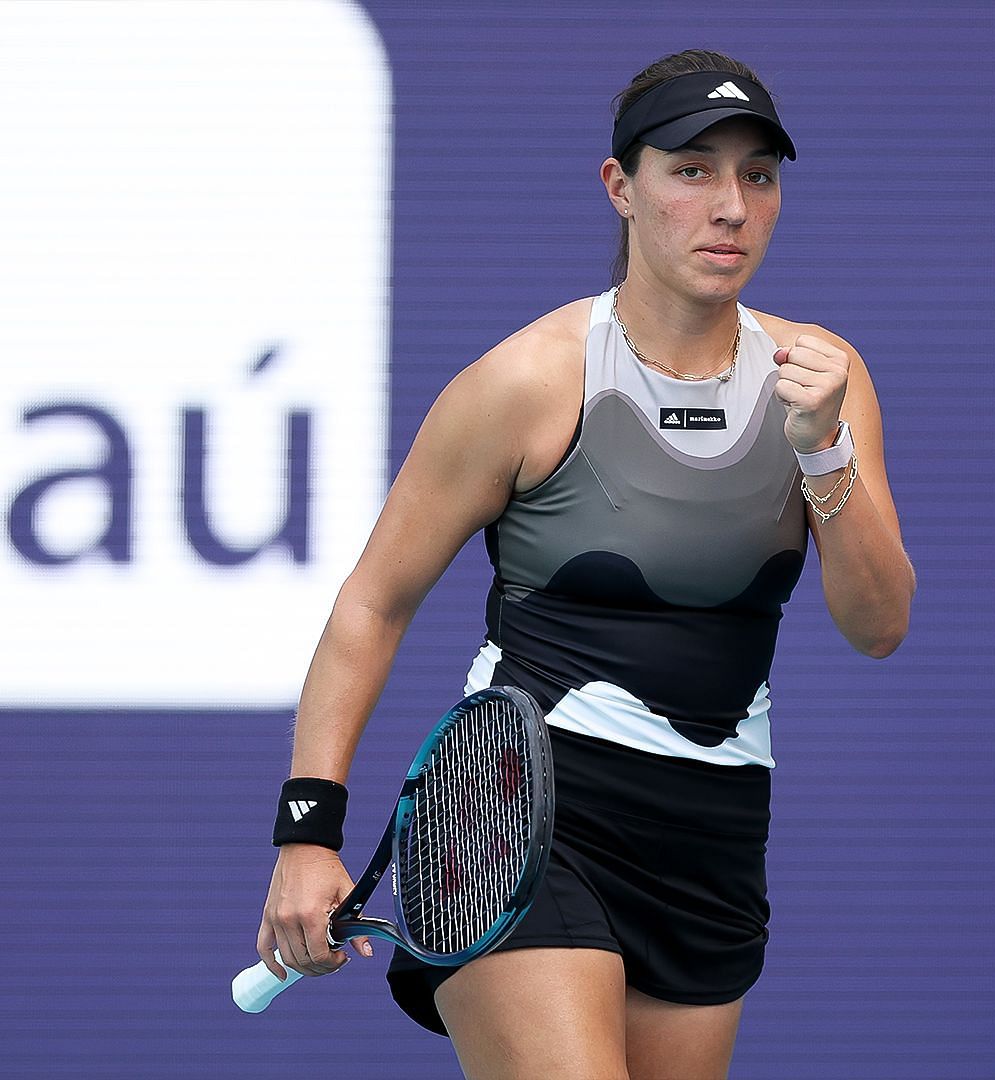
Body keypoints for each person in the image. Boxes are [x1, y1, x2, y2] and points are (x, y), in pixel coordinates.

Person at [255, 49, 914, 1079]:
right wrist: (307, 832)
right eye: (691, 169)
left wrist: (826, 447)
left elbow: (879, 625)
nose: (730, 205)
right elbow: (372, 605)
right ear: (622, 187)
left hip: (714, 834)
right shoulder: (526, 380)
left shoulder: (823, 380)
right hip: (515, 808)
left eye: (758, 174)